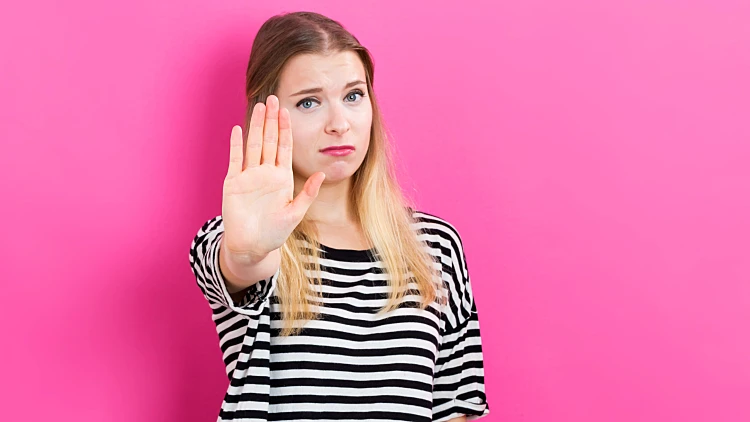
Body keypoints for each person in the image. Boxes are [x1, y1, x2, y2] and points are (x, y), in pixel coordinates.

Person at [189, 11, 489, 422]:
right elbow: (240, 264)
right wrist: (248, 253)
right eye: (309, 102)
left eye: (352, 96)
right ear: (267, 116)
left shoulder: (435, 245)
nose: (339, 124)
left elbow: (457, 405)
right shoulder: (239, 237)